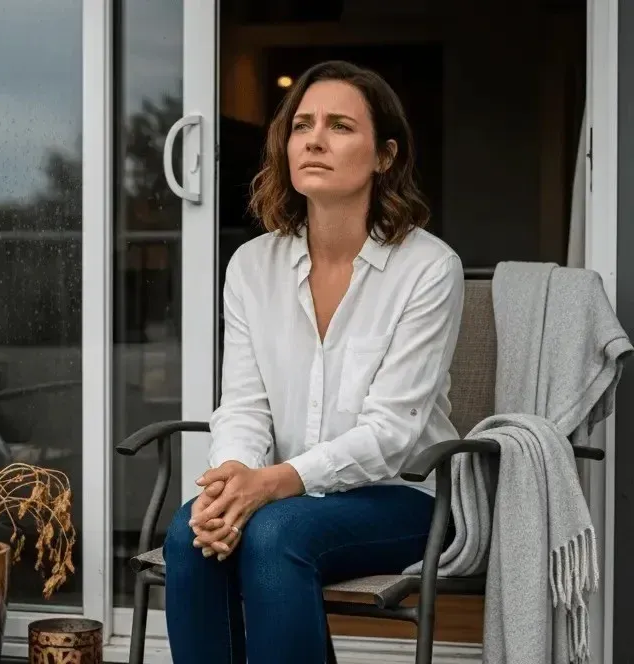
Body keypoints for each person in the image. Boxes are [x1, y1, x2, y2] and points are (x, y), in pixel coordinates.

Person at [163, 60, 465, 663]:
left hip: (401, 498)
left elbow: (392, 435)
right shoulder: (252, 265)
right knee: (189, 534)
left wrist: (268, 486)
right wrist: (231, 483)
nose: (315, 139)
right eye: (302, 125)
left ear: (384, 156)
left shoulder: (429, 269)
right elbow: (245, 405)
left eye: (340, 126)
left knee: (275, 535)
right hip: (281, 495)